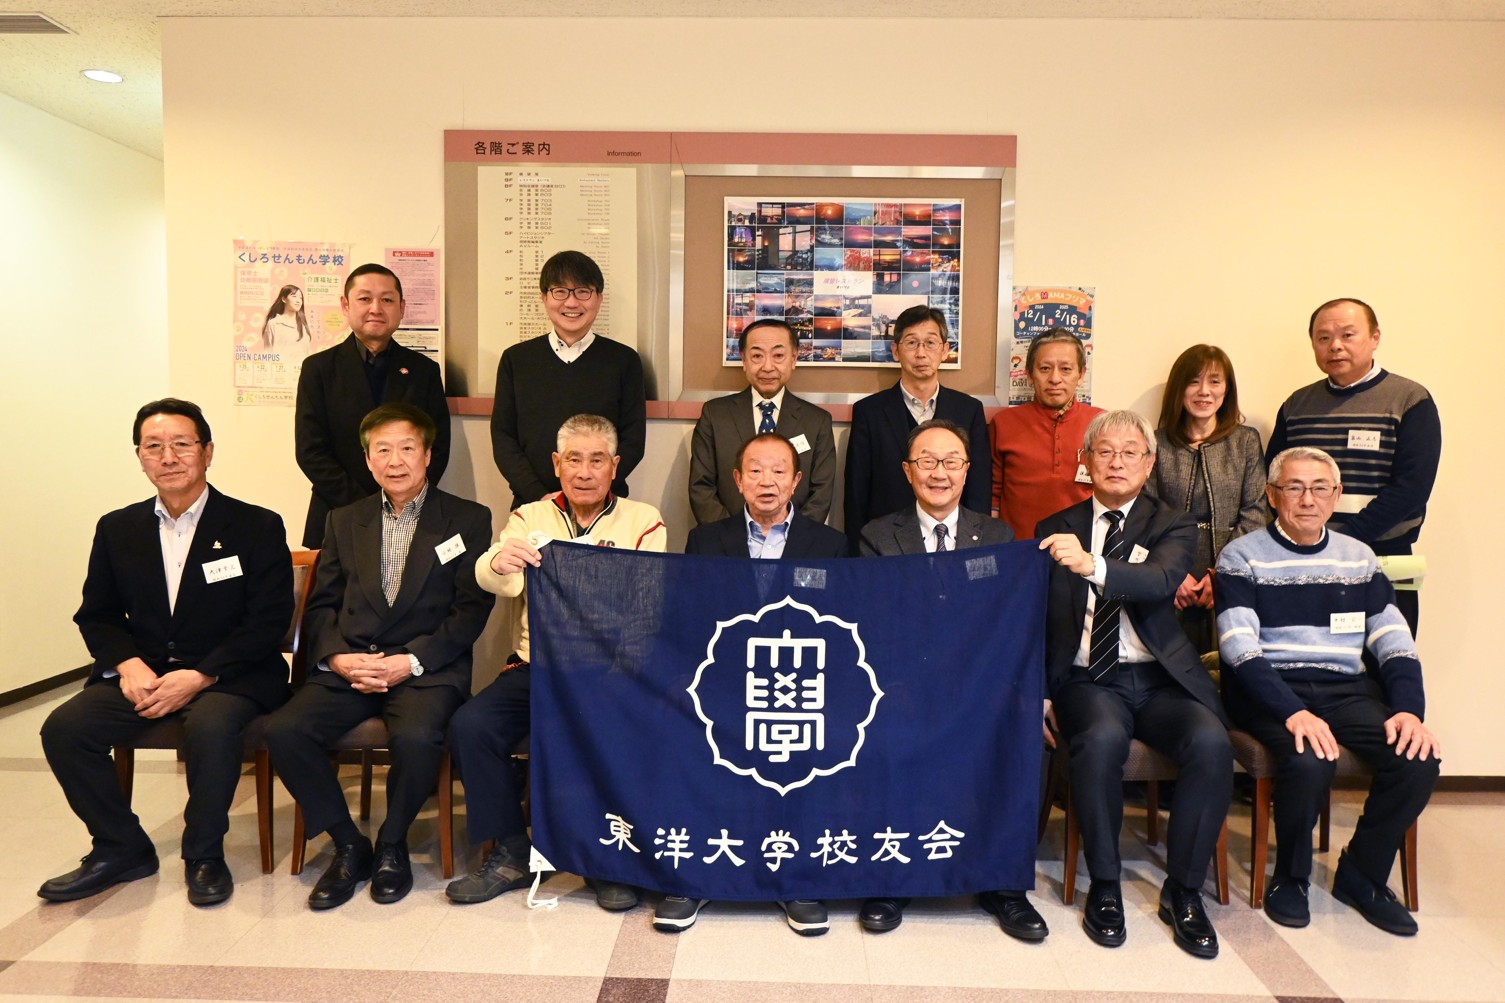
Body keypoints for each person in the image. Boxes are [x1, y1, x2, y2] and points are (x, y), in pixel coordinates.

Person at [39, 399, 292, 906]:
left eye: (182, 444)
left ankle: (204, 853)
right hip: (145, 674)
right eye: (153, 446)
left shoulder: (255, 525)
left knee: (211, 726)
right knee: (64, 729)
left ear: (207, 452)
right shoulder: (118, 528)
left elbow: (267, 621)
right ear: (139, 457)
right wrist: (128, 664)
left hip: (232, 675)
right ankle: (121, 846)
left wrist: (201, 675)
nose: (168, 457)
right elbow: (98, 614)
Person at [265, 402, 494, 910]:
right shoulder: (345, 520)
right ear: (368, 461)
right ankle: (349, 844)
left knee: (417, 736)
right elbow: (322, 605)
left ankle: (392, 842)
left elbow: (470, 610)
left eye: (407, 448)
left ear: (428, 455)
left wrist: (409, 661)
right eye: (382, 450)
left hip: (424, 668)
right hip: (352, 664)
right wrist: (338, 659)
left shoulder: (467, 519)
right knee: (284, 730)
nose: (395, 460)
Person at [446, 414, 666, 912]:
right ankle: (510, 851)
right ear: (556, 464)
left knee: (609, 731)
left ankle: (602, 860)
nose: (584, 472)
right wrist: (498, 561)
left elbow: (648, 607)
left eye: (596, 460)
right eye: (573, 460)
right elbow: (495, 576)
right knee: (471, 726)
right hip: (537, 668)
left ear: (615, 466)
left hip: (609, 672)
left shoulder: (643, 520)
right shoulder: (530, 517)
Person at [1217, 446, 1440, 935]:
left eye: (1320, 488)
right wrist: (1293, 711)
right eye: (1294, 488)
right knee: (1309, 759)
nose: (1307, 499)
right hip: (1269, 690)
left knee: (1417, 759)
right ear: (1272, 494)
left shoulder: (1358, 558)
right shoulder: (1241, 555)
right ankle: (1291, 877)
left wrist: (1408, 710)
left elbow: (1393, 639)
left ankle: (1362, 874)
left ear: (1336, 495)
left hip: (1344, 690)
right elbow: (1237, 647)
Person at [1036, 410, 1232, 959]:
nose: (1117, 462)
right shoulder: (1055, 526)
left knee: (1212, 744)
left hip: (1159, 677)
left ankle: (1184, 891)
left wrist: (1091, 565)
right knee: (1099, 741)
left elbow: (1162, 579)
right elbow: (1035, 618)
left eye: (1129, 453)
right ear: (1086, 461)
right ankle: (1105, 883)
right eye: (1104, 451)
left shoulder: (1174, 524)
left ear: (1149, 465)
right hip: (1088, 678)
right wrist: (1040, 691)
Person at [856, 420, 1047, 939]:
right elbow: (874, 623)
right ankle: (890, 878)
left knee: (1015, 733)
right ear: (907, 471)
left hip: (978, 684)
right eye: (926, 461)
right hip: (902, 683)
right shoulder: (878, 536)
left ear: (967, 470)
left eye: (951, 462)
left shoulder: (998, 536)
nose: (938, 473)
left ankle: (1003, 884)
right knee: (883, 731)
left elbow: (1009, 621)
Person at [661, 432, 846, 935]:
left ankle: (798, 881)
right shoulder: (706, 540)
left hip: (800, 687)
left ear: (797, 481)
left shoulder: (829, 545)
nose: (768, 481)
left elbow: (843, 626)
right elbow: (683, 617)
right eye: (756, 471)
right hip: (722, 684)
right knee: (685, 734)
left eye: (779, 471)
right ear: (738, 480)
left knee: (815, 747)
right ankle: (692, 876)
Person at [1265, 298, 1440, 636]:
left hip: (1384, 559)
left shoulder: (1409, 399)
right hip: (1306, 560)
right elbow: (1273, 480)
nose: (1335, 346)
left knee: (1386, 657)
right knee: (1310, 655)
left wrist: (1340, 541)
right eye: (1324, 337)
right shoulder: (1297, 405)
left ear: (1375, 337)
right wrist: (1305, 542)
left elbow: (1412, 489)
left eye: (1347, 334)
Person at [294, 263, 451, 549]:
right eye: (365, 299)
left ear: (401, 308)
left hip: (409, 514)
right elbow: (310, 452)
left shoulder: (424, 370)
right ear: (346, 305)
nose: (376, 308)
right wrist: (366, 506)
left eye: (387, 300)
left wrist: (403, 499)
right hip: (336, 512)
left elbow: (436, 446)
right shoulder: (319, 369)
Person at [490, 250, 647, 508]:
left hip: (604, 503)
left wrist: (591, 492)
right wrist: (540, 496)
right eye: (560, 291)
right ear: (544, 297)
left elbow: (633, 441)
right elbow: (504, 438)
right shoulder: (516, 360)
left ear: (599, 298)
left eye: (583, 291)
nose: (571, 303)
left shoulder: (624, 361)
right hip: (534, 505)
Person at [1146, 344, 1267, 652]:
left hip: (1231, 568)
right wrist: (1171, 574)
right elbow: (1146, 513)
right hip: (1169, 574)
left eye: (1214, 381)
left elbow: (1254, 512)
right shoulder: (1156, 443)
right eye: (1193, 381)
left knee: (1228, 659)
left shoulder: (1245, 441)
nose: (1204, 391)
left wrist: (1221, 575)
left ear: (1227, 389)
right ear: (1179, 389)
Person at [844, 305, 989, 554]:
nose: (921, 353)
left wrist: (976, 548)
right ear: (895, 351)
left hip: (953, 543)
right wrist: (859, 553)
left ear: (945, 350)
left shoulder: (969, 410)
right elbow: (857, 493)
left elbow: (978, 488)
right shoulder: (869, 412)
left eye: (930, 343)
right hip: (886, 546)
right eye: (911, 343)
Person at [689, 318, 836, 526]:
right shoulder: (715, 415)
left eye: (778, 356)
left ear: (794, 359)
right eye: (757, 356)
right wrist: (732, 536)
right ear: (744, 360)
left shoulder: (817, 421)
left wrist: (790, 538)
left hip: (795, 542)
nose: (767, 367)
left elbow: (821, 494)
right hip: (726, 540)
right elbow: (701, 487)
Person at [989, 330, 1103, 540]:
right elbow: (993, 496)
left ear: (1081, 375)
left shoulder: (1101, 423)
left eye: (1066, 369)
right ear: (1029, 375)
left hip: (1082, 549)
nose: (1055, 379)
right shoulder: (1003, 423)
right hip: (1019, 546)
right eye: (1044, 369)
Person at [261, 284, 312, 353]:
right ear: (284, 299)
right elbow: (268, 353)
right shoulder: (274, 323)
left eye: (300, 298)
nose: (298, 301)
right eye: (294, 296)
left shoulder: (304, 325)